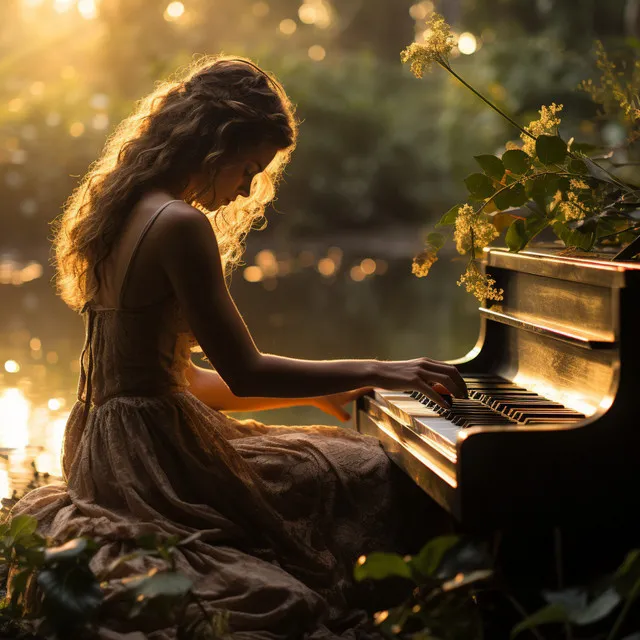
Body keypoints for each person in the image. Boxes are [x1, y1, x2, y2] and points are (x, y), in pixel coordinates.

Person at [7, 55, 467, 639]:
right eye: (248, 167)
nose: (250, 187)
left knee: (330, 455)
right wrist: (384, 368)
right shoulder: (178, 224)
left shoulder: (122, 212)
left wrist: (333, 390)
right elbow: (245, 371)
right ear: (213, 143)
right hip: (159, 469)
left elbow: (183, 385)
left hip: (110, 453)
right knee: (370, 468)